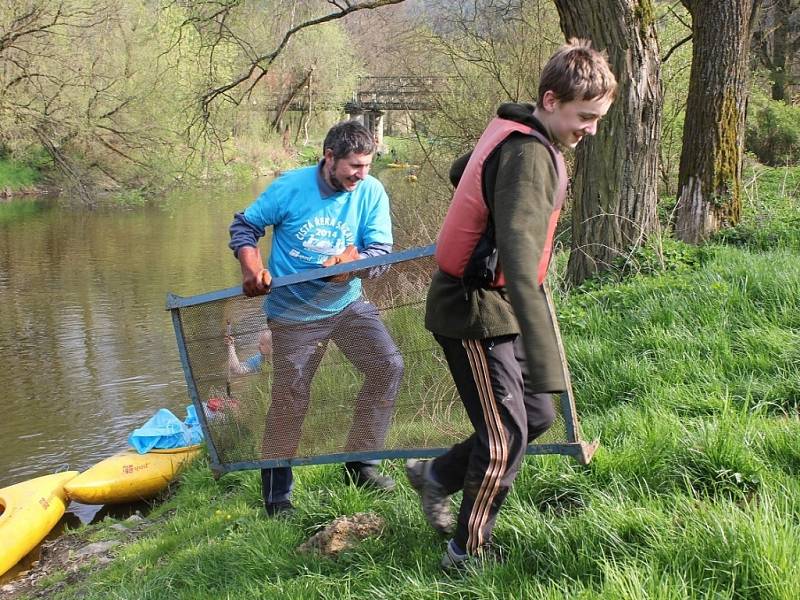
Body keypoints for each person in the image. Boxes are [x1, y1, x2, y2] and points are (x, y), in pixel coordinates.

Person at [405, 39, 617, 569]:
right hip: (472, 306)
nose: (590, 130)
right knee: (504, 438)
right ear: (550, 100)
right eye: (585, 117)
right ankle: (466, 554)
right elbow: (522, 270)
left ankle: (436, 476)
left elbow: (464, 171)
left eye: (598, 118)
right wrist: (549, 364)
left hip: (496, 303)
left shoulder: (518, 132)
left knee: (537, 414)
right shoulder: (527, 155)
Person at [229, 120, 404, 517]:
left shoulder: (371, 192)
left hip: (346, 303)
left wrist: (353, 264)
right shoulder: (290, 187)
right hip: (293, 312)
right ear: (329, 157)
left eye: (367, 165)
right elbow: (244, 226)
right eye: (354, 166)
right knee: (290, 400)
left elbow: (381, 253)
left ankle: (361, 466)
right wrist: (250, 265)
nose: (361, 175)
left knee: (387, 368)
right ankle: (277, 498)